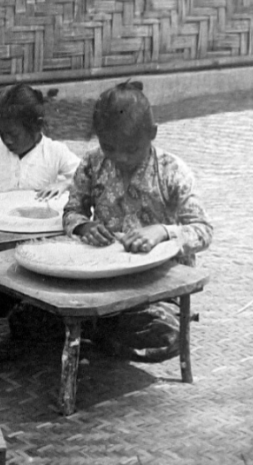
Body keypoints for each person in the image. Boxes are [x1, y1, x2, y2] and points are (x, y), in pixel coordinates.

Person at [61, 81, 212, 362]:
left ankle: (93, 331)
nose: (120, 157)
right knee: (27, 316)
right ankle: (98, 329)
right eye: (109, 147)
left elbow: (203, 231)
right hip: (104, 280)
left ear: (152, 134)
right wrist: (84, 226)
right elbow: (71, 211)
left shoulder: (171, 171)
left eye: (131, 149)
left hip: (157, 288)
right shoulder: (93, 164)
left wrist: (163, 232)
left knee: (165, 334)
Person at [0, 84, 80, 198]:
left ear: (36, 127)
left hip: (37, 218)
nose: (7, 140)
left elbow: (85, 178)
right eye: (1, 133)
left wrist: (65, 184)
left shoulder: (55, 152)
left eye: (14, 134)